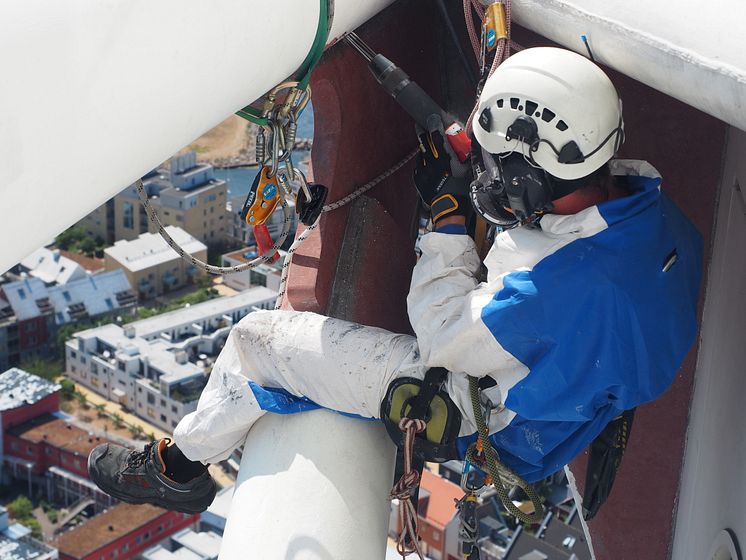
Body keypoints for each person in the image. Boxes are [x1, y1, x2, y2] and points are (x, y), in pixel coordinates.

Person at [87, 47, 702, 514]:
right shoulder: (657, 211)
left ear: (528, 179)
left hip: (514, 423)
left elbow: (440, 336)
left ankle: (177, 469)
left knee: (255, 343)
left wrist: (447, 215)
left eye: (494, 164)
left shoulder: (549, 289)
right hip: (594, 384)